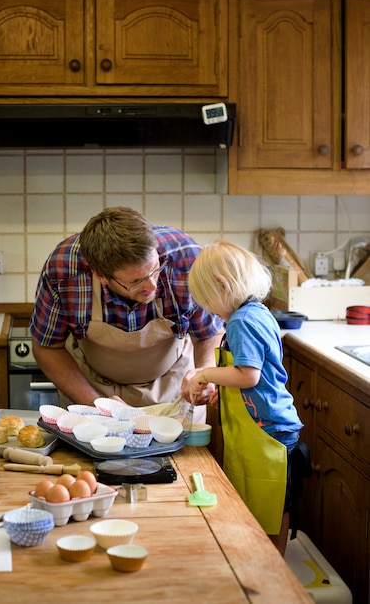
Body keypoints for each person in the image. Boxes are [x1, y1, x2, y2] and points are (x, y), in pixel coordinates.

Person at [29, 207, 224, 417]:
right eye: (136, 281)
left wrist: (205, 372)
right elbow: (48, 348)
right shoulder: (65, 271)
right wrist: (96, 404)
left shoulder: (187, 259)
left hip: (173, 387)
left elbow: (210, 334)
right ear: (101, 276)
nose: (152, 286)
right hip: (92, 387)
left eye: (155, 270)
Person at [183, 239, 303, 555]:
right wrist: (224, 393)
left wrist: (205, 374)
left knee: (272, 505)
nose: (208, 309)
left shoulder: (241, 321)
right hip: (264, 426)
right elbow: (247, 375)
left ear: (222, 285)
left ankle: (273, 568)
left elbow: (249, 375)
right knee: (264, 501)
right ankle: (263, 559)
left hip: (268, 432)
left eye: (207, 300)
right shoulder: (258, 312)